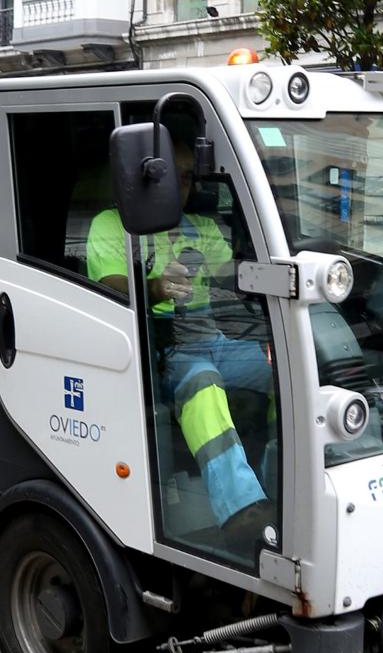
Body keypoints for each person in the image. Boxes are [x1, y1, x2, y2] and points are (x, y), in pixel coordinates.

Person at [86, 137, 276, 543]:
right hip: (163, 349)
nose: (182, 187)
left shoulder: (203, 226)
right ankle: (242, 509)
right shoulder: (110, 225)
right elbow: (112, 287)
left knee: (285, 375)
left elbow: (234, 276)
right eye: (174, 178)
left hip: (215, 337)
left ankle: (284, 482)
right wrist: (156, 288)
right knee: (202, 382)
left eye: (189, 178)